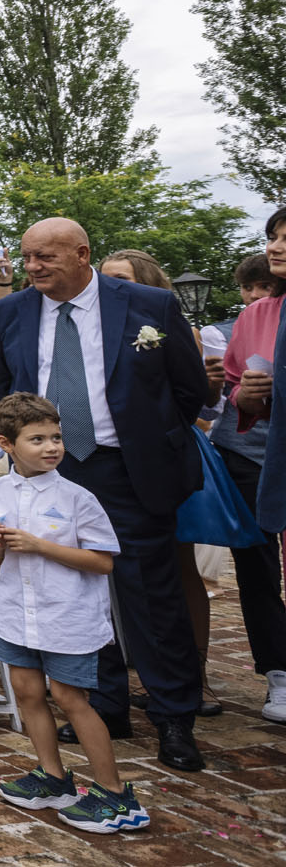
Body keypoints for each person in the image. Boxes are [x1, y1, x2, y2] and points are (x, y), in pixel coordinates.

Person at [0, 218, 211, 772]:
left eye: (46, 257)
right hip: (50, 475)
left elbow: (189, 390)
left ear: (82, 254)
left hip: (126, 472)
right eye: (27, 257)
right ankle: (102, 704)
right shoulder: (8, 313)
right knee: (72, 591)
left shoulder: (147, 306)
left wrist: (146, 441)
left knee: (150, 595)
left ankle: (174, 717)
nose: (32, 267)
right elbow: (7, 387)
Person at [0, 393, 145, 834]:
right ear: (6, 444)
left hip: (65, 615)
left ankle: (113, 794)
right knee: (28, 693)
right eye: (38, 439)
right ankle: (53, 778)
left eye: (56, 437)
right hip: (18, 613)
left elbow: (103, 561)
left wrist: (39, 545)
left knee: (71, 698)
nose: (52, 447)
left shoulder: (78, 498)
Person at [98, 246, 222, 717]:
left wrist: (162, 432)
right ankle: (137, 667)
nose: (112, 287)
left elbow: (196, 396)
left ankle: (197, 676)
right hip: (115, 462)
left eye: (122, 278)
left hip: (165, 455)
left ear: (147, 281)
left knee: (178, 566)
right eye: (106, 278)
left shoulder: (169, 324)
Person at [231, 222, 286, 723]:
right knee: (260, 570)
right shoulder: (257, 315)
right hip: (263, 461)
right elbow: (233, 383)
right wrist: (244, 396)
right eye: (274, 236)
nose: (276, 246)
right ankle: (279, 672)